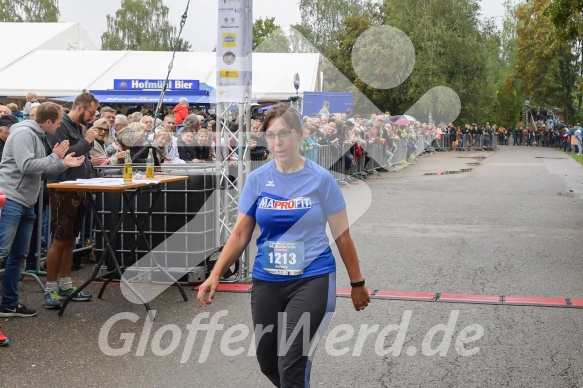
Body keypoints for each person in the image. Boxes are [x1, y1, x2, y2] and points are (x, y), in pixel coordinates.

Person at [197, 104, 369, 387]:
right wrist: (215, 274)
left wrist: (357, 282)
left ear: (299, 135)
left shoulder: (321, 180)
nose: (278, 142)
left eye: (285, 134)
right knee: (268, 361)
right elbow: (240, 234)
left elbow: (342, 236)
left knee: (291, 360)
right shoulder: (257, 180)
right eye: (271, 135)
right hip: (267, 280)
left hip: (313, 278)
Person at [0, 102, 85, 322]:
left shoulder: (37, 135)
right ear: (47, 121)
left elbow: (41, 172)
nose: (59, 127)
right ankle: (8, 302)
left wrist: (63, 163)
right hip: (11, 200)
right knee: (3, 253)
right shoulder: (24, 134)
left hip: (24, 201)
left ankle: (8, 303)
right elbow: (27, 166)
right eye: (57, 122)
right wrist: (55, 158)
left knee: (17, 256)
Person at [44, 92, 100, 309]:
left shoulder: (77, 126)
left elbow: (79, 157)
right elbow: (65, 156)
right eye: (91, 112)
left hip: (79, 188)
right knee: (59, 239)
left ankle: (66, 285)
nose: (93, 117)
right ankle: (50, 288)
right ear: (80, 108)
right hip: (63, 189)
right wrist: (86, 142)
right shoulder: (61, 126)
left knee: (70, 240)